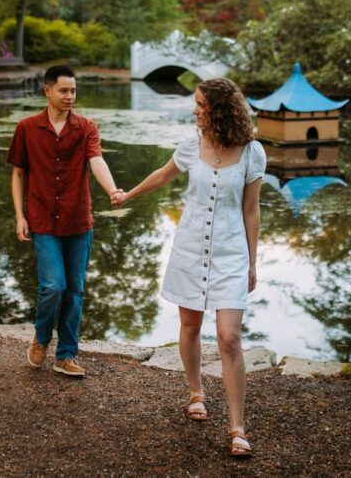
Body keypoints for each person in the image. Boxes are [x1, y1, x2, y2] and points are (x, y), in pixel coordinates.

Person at [112, 77, 265, 457]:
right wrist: (128, 194)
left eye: (200, 104)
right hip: (190, 248)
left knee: (229, 337)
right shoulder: (190, 144)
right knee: (190, 325)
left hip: (231, 253)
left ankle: (237, 427)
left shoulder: (252, 152)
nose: (194, 109)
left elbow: (251, 209)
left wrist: (252, 261)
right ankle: (196, 392)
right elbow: (163, 176)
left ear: (219, 108)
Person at [6, 65, 121, 377]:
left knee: (75, 289)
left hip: (78, 222)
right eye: (64, 90)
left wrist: (112, 189)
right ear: (47, 90)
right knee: (53, 285)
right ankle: (42, 337)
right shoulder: (27, 128)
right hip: (41, 220)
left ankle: (66, 355)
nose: (70, 96)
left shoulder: (85, 128)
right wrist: (19, 216)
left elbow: (96, 160)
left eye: (73, 90)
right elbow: (18, 173)